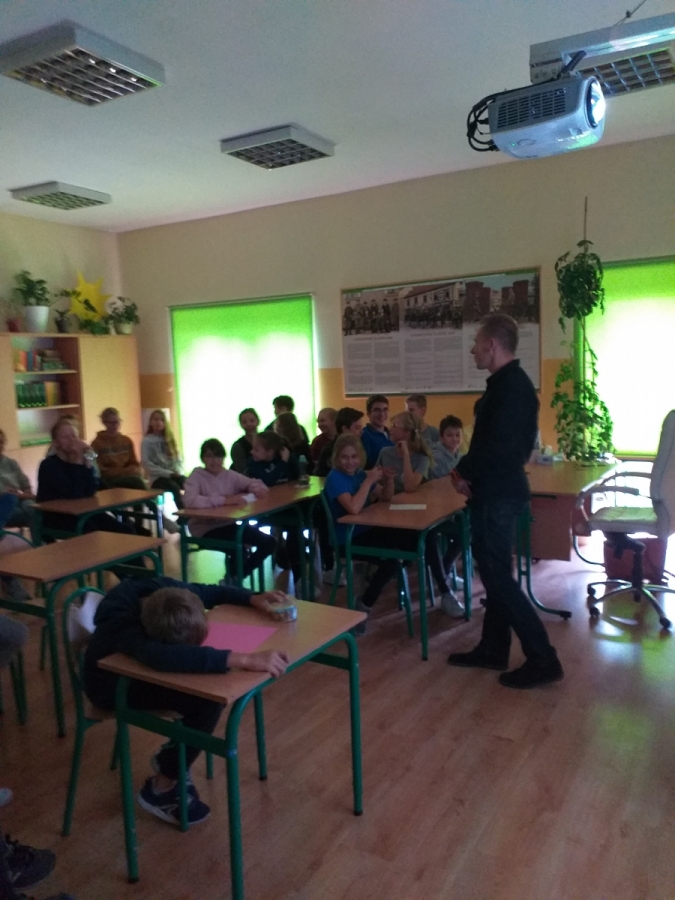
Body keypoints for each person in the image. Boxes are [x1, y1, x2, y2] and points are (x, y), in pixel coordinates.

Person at [82, 576, 291, 827]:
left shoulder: (166, 592)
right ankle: (161, 789)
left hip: (143, 671)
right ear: (155, 636)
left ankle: (171, 759)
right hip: (110, 687)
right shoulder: (124, 625)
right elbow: (160, 657)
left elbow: (209, 591)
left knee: (209, 689)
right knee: (205, 701)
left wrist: (251, 598)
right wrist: (245, 659)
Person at [447, 313, 564, 688]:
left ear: (492, 344)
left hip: (498, 495)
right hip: (494, 492)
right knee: (496, 576)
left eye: (476, 343)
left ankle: (543, 658)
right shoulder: (507, 385)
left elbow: (499, 449)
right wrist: (470, 474)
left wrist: (462, 471)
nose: (473, 350)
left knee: (498, 579)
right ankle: (493, 649)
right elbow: (492, 445)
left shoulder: (512, 388)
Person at [376, 412, 462, 615]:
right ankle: (445, 589)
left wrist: (406, 455)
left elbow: (410, 486)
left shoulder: (422, 456)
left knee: (438, 532)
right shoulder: (385, 452)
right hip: (387, 513)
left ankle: (444, 584)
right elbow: (377, 483)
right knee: (428, 535)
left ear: (406, 432)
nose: (391, 429)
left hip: (412, 511)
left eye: (395, 426)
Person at [36, 420, 148, 572]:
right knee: (98, 538)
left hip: (83, 514)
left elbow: (89, 491)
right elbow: (74, 494)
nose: (72, 441)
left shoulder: (80, 462)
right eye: (65, 437)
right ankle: (127, 576)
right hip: (58, 517)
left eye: (74, 436)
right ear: (56, 443)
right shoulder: (48, 465)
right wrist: (77, 461)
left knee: (126, 531)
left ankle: (143, 577)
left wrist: (87, 463)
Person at [183, 439, 275, 582]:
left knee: (269, 542)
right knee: (238, 548)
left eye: (218, 456)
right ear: (203, 458)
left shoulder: (229, 475)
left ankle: (235, 577)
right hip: (204, 529)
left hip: (228, 524)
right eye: (209, 456)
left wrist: (256, 489)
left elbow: (253, 482)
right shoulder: (196, 476)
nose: (215, 461)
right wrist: (224, 500)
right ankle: (232, 581)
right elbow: (189, 500)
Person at [91, 407, 146, 490]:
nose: (115, 425)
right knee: (137, 482)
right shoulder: (96, 444)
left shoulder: (126, 440)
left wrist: (134, 469)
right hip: (110, 480)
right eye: (112, 423)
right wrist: (125, 471)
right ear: (104, 423)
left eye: (117, 422)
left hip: (128, 475)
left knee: (137, 480)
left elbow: (134, 462)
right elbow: (102, 471)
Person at [141, 410, 185, 511]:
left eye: (162, 420)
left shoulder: (169, 439)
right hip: (157, 478)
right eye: (156, 419)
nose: (159, 422)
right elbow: (146, 463)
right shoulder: (147, 441)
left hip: (173, 475)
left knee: (188, 483)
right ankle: (183, 513)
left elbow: (177, 459)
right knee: (174, 487)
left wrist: (178, 471)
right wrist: (168, 473)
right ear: (151, 422)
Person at [0, 427, 36, 539]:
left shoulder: (11, 463)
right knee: (11, 500)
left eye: (1, 442)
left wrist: (21, 494)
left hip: (20, 499)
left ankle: (41, 543)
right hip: (4, 502)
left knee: (32, 508)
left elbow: (26, 486)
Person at [315, 407, 365, 477]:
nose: (361, 431)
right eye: (357, 428)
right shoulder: (329, 451)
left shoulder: (359, 446)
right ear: (345, 429)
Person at [360, 394, 393, 469]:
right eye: (377, 410)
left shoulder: (392, 433)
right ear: (368, 414)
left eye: (385, 409)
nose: (381, 414)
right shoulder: (364, 435)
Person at [230, 408, 260, 474]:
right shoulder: (238, 446)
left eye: (252, 421)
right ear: (240, 425)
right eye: (244, 422)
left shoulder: (267, 440)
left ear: (258, 421)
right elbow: (242, 471)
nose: (249, 424)